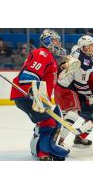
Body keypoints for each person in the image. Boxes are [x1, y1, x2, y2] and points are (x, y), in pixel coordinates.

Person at [10, 29, 69, 161]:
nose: (58, 43)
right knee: (48, 122)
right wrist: (33, 92)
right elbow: (29, 74)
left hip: (38, 96)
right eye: (55, 40)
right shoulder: (42, 53)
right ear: (47, 40)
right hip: (28, 95)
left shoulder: (49, 56)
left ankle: (43, 147)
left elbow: (48, 75)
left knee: (50, 121)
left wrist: (61, 68)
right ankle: (43, 152)